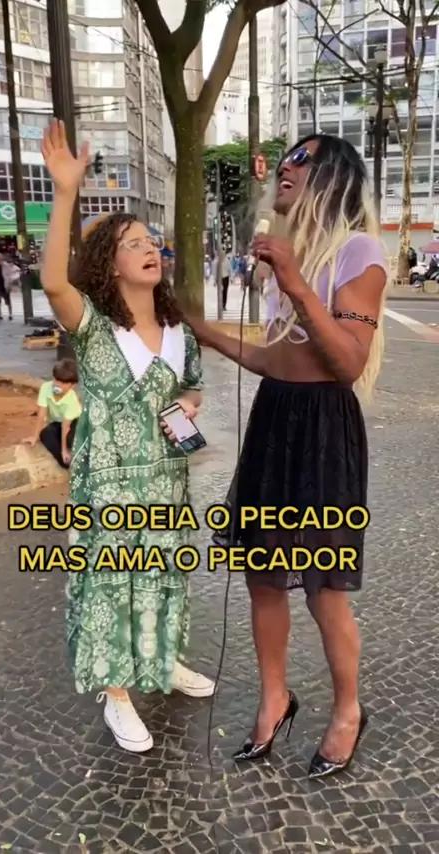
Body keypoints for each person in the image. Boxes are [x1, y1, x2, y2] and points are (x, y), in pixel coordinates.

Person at [187, 134, 388, 780]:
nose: (285, 168)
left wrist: (297, 283)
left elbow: (348, 361)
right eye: (285, 159)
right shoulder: (288, 255)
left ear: (333, 178)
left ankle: (348, 711)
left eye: (301, 160)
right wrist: (207, 334)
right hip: (275, 414)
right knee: (263, 576)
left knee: (324, 585)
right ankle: (275, 698)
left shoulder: (359, 253)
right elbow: (279, 359)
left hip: (325, 424)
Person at [40, 119, 214, 754]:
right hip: (109, 485)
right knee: (113, 584)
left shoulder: (179, 330)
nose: (150, 249)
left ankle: (163, 661)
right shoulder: (92, 327)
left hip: (167, 479)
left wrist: (187, 405)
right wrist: (66, 192)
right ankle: (117, 694)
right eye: (133, 243)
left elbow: (192, 387)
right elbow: (53, 282)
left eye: (152, 242)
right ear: (109, 264)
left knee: (165, 574)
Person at [24, 358, 82, 468]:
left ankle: (71, 455)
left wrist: (64, 450)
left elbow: (66, 426)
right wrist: (35, 437)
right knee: (45, 434)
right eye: (57, 380)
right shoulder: (46, 388)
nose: (58, 385)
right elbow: (41, 415)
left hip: (73, 423)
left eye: (63, 383)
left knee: (70, 439)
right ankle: (66, 462)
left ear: (72, 385)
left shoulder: (72, 399)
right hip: (57, 423)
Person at [0, 253, 20, 321]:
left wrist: (9, 284)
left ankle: (10, 314)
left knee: (8, 302)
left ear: (1, 259)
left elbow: (9, 275)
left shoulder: (6, 265)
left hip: (5, 286)